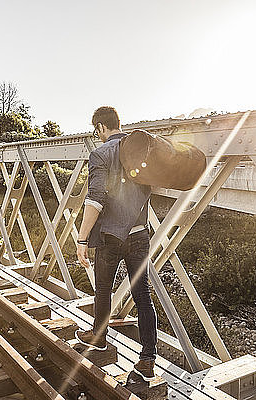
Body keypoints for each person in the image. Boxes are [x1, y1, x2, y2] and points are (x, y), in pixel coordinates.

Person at [75, 106, 157, 381]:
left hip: (110, 237)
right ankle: (147, 359)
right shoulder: (140, 149)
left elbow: (96, 198)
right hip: (139, 234)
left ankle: (98, 338)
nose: (96, 135)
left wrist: (82, 237)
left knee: (103, 290)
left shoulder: (100, 153)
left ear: (100, 127)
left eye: (95, 130)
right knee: (143, 296)